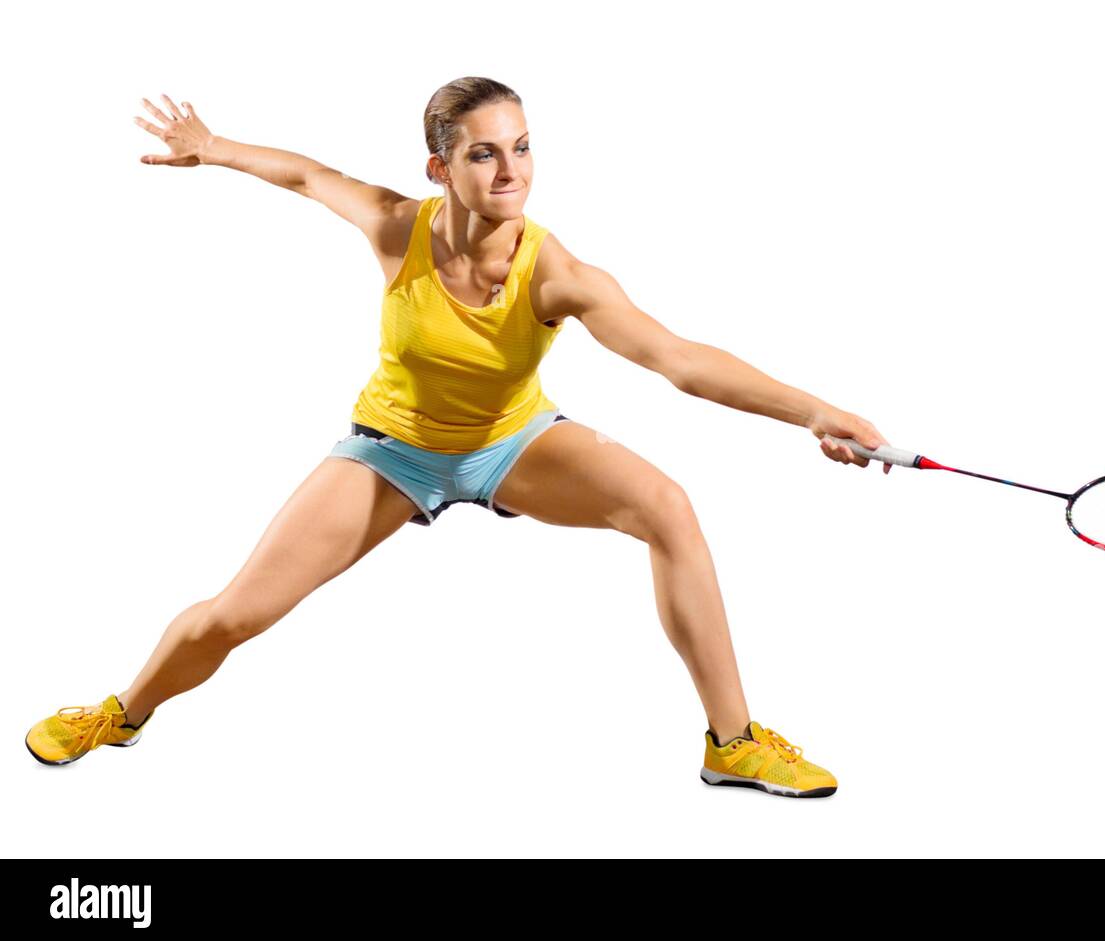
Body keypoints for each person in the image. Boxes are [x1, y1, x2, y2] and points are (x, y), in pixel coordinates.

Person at [24, 77, 893, 798]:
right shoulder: (397, 227)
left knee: (666, 506)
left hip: (512, 442)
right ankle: (122, 712)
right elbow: (304, 176)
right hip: (390, 450)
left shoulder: (556, 273)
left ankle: (731, 742)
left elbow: (677, 359)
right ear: (440, 166)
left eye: (521, 146)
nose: (510, 169)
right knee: (233, 614)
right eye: (484, 152)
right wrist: (211, 147)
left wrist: (813, 410)